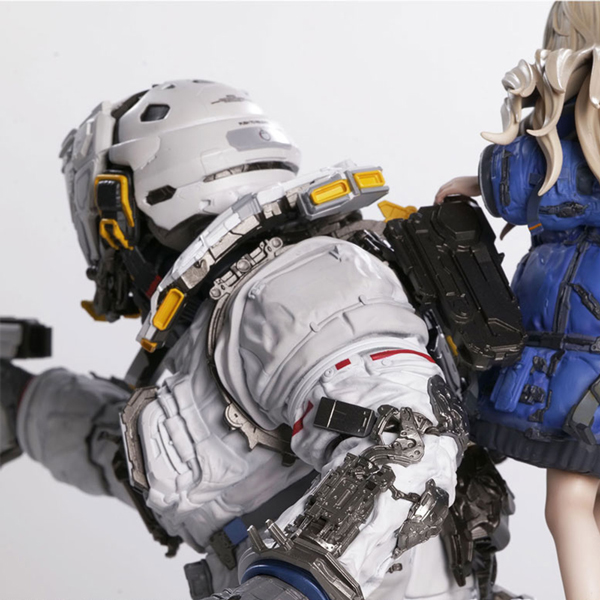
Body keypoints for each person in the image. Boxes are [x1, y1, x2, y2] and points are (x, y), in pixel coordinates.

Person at [1, 79, 518, 600]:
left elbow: (407, 442)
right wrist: (22, 403)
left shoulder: (293, 285)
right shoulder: (235, 311)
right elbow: (200, 474)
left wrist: (295, 587)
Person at [435, 3, 600, 599]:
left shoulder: (575, 131)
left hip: (583, 347)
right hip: (579, 342)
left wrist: (483, 180)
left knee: (569, 501)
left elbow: (534, 183)